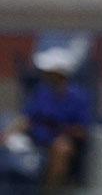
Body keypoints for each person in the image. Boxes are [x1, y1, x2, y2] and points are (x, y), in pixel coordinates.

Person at [21, 48, 92, 187]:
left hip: (62, 142)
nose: (45, 74)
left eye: (49, 72)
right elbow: (27, 118)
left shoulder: (79, 97)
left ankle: (51, 190)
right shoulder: (42, 92)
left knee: (61, 148)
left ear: (58, 74)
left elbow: (82, 130)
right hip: (37, 139)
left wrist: (59, 130)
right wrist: (7, 135)